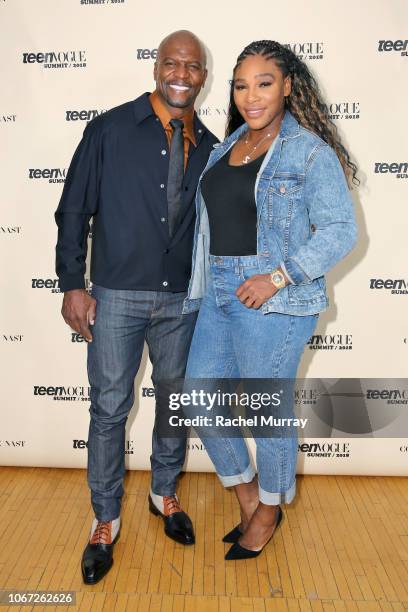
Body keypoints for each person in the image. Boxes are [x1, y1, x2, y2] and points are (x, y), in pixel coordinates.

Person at [182, 40, 358, 560]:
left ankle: (270, 508)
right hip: (219, 290)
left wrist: (278, 277)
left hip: (273, 301)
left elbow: (339, 231)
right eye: (241, 85)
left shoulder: (308, 152)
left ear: (286, 86)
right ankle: (247, 493)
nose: (251, 95)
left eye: (264, 83)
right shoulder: (225, 147)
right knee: (199, 395)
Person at [54, 30, 218, 584]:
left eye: (192, 66)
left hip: (182, 299)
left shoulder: (212, 144)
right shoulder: (108, 130)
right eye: (172, 63)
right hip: (116, 294)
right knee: (109, 408)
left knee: (174, 402)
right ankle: (104, 519)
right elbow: (73, 209)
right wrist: (72, 283)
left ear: (202, 76)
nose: (181, 73)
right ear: (156, 68)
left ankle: (164, 493)